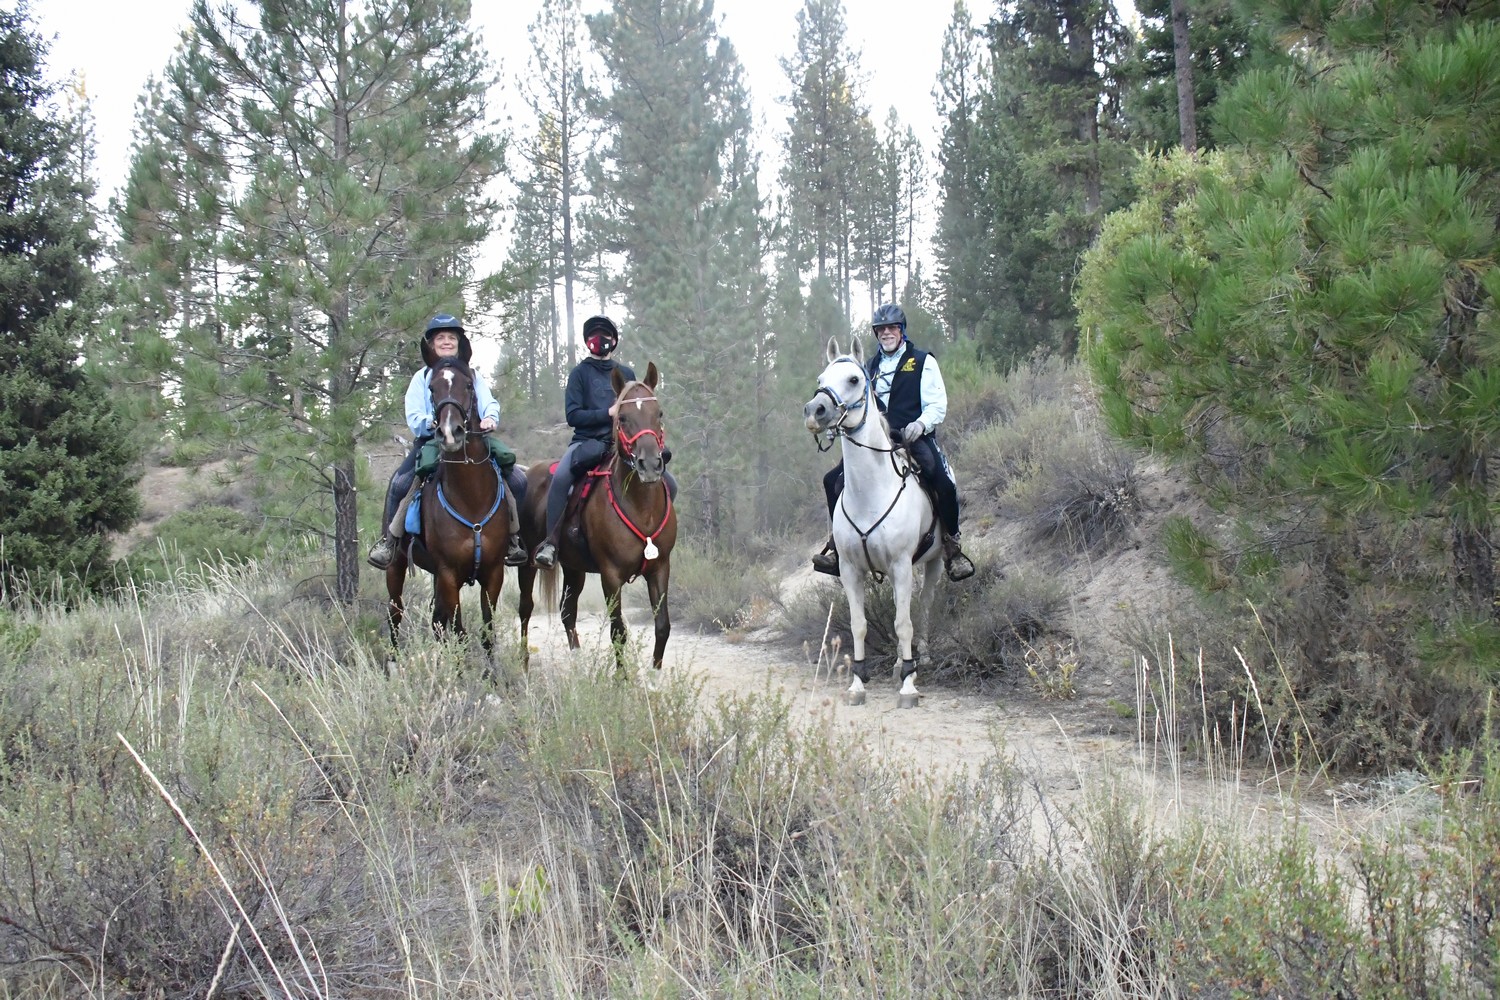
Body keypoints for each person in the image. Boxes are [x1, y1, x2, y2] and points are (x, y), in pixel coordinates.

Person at [812, 303, 975, 582]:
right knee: (832, 480)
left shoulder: (923, 361)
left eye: (892, 328)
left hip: (913, 436)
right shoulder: (868, 366)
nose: (887, 333)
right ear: (876, 333)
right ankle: (839, 548)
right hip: (875, 440)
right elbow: (855, 402)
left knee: (941, 480)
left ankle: (951, 545)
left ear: (901, 331)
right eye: (881, 329)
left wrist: (921, 424)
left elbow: (937, 403)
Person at [367, 313, 528, 570]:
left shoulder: (473, 376)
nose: (445, 342)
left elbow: (489, 403)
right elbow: (414, 414)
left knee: (518, 480)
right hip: (433, 440)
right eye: (440, 338)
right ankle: (389, 544)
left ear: (459, 343)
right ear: (431, 345)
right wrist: (431, 423)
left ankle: (513, 539)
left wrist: (490, 418)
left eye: (451, 337)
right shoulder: (422, 377)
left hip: (472, 440)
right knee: (400, 483)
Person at [533, 315, 676, 568]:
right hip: (586, 441)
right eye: (595, 335)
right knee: (561, 478)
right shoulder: (580, 374)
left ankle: (654, 535)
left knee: (671, 484)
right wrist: (606, 414)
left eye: (606, 335)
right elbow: (573, 415)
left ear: (614, 340)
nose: (600, 340)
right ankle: (551, 543)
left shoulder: (627, 373)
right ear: (587, 341)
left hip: (624, 444)